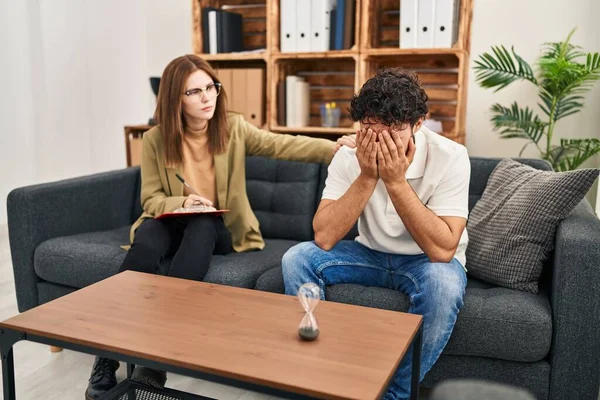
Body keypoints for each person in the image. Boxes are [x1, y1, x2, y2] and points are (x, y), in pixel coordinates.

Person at [85, 54, 355, 400]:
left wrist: (334, 148)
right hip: (172, 220)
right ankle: (106, 355)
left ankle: (155, 359)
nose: (207, 97)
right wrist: (183, 202)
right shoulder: (155, 139)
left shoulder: (233, 127)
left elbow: (282, 144)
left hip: (215, 227)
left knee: (201, 224)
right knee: (150, 236)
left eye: (210, 87)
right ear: (174, 99)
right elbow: (151, 199)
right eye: (194, 92)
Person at [281, 68, 471, 400]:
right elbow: (324, 237)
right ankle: (315, 379)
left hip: (425, 261)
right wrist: (368, 176)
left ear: (417, 124)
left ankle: (391, 396)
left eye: (394, 128)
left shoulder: (452, 157)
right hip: (368, 254)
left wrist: (395, 181)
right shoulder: (350, 154)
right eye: (370, 127)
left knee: (444, 284)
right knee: (296, 257)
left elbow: (443, 250)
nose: (380, 138)